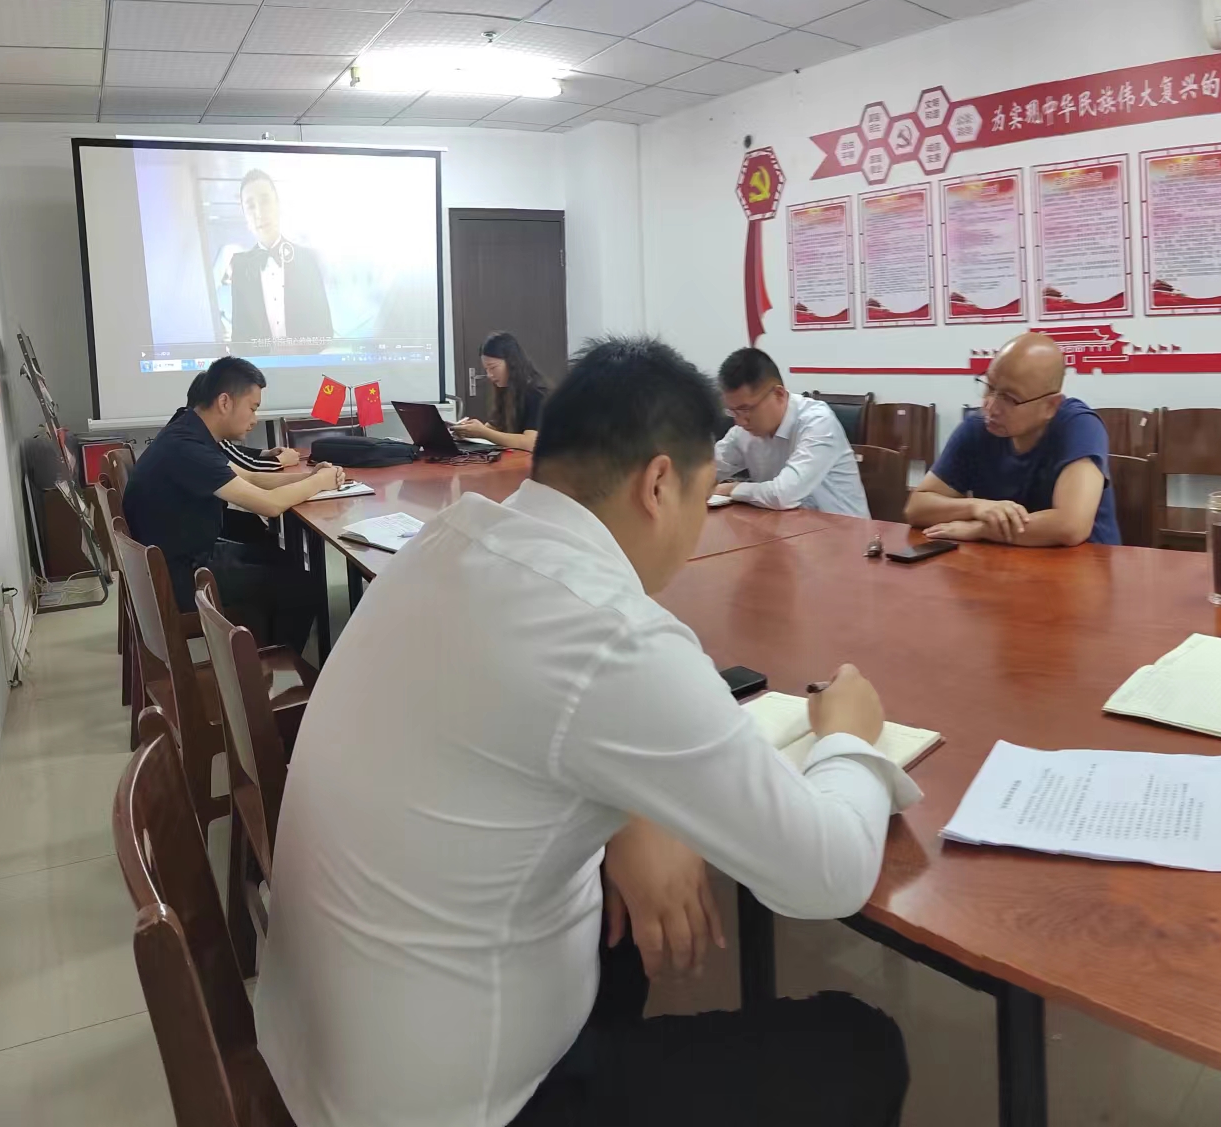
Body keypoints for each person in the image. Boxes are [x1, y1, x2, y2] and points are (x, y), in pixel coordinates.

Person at [254, 337, 914, 1127]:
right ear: (659, 484)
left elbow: (541, 712)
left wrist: (632, 811)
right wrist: (848, 738)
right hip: (456, 1104)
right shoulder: (610, 633)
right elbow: (827, 875)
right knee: (860, 1046)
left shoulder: (450, 538)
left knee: (615, 927)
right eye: (702, 496)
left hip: (325, 1050)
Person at [122, 357, 338, 652]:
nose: (255, 418)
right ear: (225, 402)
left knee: (285, 561)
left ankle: (266, 648)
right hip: (183, 575)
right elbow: (269, 505)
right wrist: (320, 483)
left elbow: (250, 478)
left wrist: (310, 476)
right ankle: (272, 669)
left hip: (184, 555)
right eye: (253, 407)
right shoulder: (188, 448)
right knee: (304, 588)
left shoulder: (191, 432)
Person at [904, 332, 1118, 546]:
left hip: (1083, 560)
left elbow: (1070, 526)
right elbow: (916, 508)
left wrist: (980, 529)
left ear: (1050, 406)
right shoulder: (977, 427)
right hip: (1004, 559)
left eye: (1009, 398)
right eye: (990, 387)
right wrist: (977, 507)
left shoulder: (1079, 425)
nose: (991, 407)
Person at [711, 347, 869, 518]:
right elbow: (708, 467)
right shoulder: (744, 431)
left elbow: (783, 495)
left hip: (844, 529)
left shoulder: (818, 422)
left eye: (746, 409)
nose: (740, 421)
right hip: (788, 526)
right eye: (733, 411)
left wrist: (732, 488)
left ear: (778, 394)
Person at [227, 169, 333, 350]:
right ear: (245, 216)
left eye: (265, 200)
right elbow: (239, 340)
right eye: (251, 206)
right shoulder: (239, 266)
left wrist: (297, 351)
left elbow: (325, 331)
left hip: (306, 366)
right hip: (258, 369)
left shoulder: (307, 259)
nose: (259, 213)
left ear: (278, 204)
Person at [453, 331, 553, 452]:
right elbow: (494, 427)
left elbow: (530, 443)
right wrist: (469, 431)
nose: (489, 375)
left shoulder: (537, 393)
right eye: (486, 369)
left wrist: (483, 432)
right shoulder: (506, 390)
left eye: (493, 367)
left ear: (512, 363)